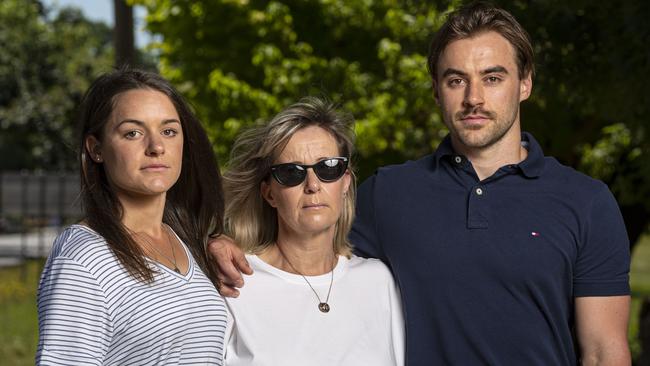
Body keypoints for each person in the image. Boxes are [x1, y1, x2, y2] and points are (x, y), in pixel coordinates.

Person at [210, 2, 631, 365]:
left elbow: (602, 353)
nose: (473, 98)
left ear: (525, 83)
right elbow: (304, 238)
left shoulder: (586, 202)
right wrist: (217, 241)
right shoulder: (389, 193)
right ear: (436, 90)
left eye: (493, 77)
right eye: (455, 80)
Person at [36, 69, 227, 365]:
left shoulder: (185, 241)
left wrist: (215, 242)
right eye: (132, 133)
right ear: (96, 148)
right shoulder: (83, 260)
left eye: (168, 131)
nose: (156, 147)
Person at [220, 97, 404, 365]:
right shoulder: (234, 285)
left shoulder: (379, 281)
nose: (313, 185)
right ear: (269, 192)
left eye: (328, 167)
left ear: (345, 182)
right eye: (291, 172)